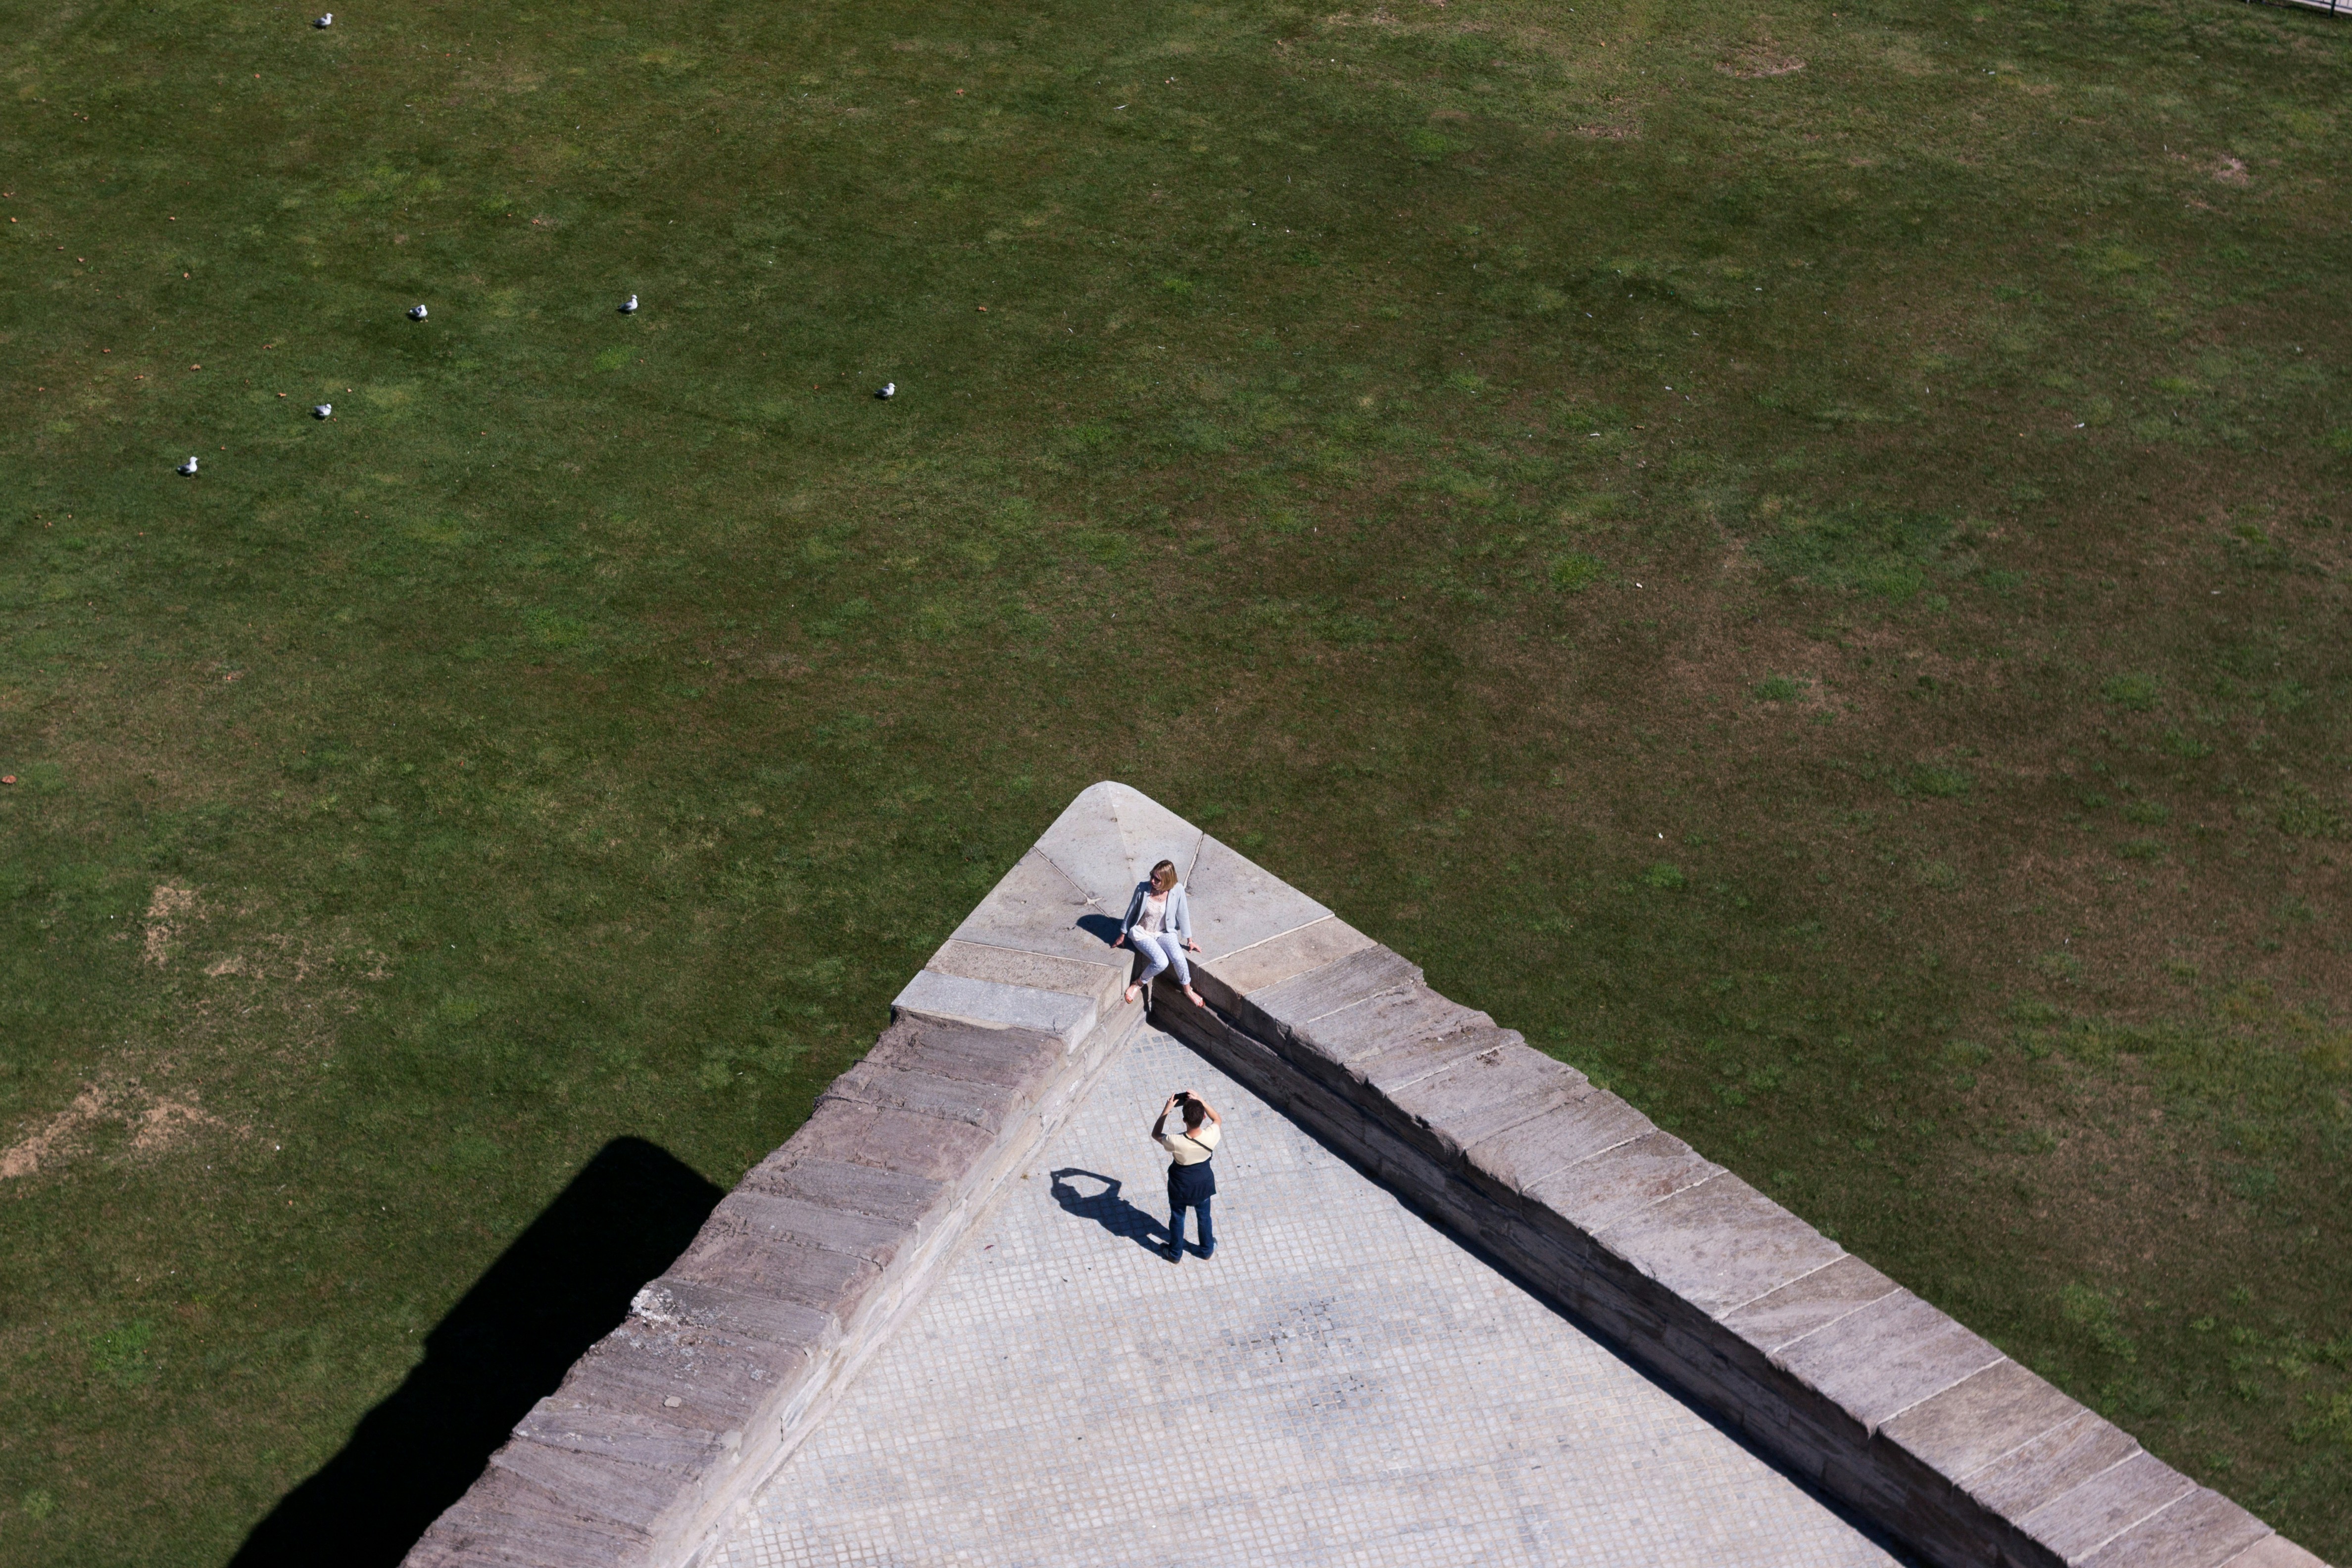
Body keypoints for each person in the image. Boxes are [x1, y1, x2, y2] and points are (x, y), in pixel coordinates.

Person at [1114, 859, 1203, 1008]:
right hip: (1142, 932)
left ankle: (1188, 991)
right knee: (1162, 962)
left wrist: (1190, 940)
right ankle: (1138, 983)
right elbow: (1131, 911)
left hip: (1164, 932)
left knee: (1179, 958)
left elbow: (1183, 914)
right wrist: (1123, 934)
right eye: (1152, 876)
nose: (1153, 881)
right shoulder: (1143, 889)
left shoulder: (1178, 890)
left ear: (1168, 881)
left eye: (1158, 879)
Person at [1152, 1090, 1220, 1261]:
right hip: (1203, 1184)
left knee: (1178, 1217)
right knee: (1204, 1216)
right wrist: (1202, 1101)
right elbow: (1217, 1119)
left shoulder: (1176, 1141)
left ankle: (1175, 1253)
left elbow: (1156, 1134)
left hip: (1180, 1186)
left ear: (1184, 1121)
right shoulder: (1211, 1135)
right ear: (1204, 1118)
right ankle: (1206, 1250)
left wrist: (1167, 1109)